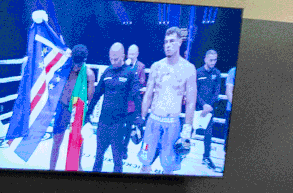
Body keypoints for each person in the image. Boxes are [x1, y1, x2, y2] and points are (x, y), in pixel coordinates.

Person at [137, 25, 198, 174]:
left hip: (172, 124)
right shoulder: (156, 66)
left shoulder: (188, 69)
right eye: (165, 42)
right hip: (152, 122)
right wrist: (141, 118)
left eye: (171, 41)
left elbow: (191, 102)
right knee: (145, 162)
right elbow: (148, 95)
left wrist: (187, 130)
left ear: (179, 42)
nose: (168, 45)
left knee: (168, 167)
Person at [91, 41, 142, 174]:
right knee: (98, 156)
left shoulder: (130, 73)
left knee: (117, 159)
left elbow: (136, 96)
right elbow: (97, 94)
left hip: (119, 124)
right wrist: (87, 113)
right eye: (111, 59)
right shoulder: (107, 71)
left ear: (123, 56)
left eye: (116, 59)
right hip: (103, 122)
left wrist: (138, 118)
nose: (113, 62)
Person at [50, 44, 94, 171]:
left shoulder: (89, 74)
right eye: (75, 62)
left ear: (84, 60)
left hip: (77, 111)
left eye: (79, 64)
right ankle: (51, 169)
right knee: (56, 141)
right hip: (62, 108)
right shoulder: (64, 68)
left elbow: (89, 98)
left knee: (78, 141)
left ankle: (78, 167)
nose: (76, 66)